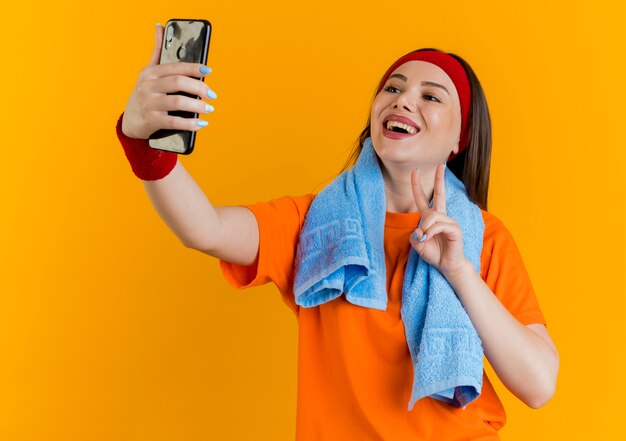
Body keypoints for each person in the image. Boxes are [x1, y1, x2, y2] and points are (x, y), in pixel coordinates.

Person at [117, 23, 559, 440]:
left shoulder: (484, 239)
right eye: (393, 87)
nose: (403, 100)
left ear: (458, 139)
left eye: (431, 96)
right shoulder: (316, 225)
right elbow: (204, 228)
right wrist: (143, 143)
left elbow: (538, 385)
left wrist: (460, 272)